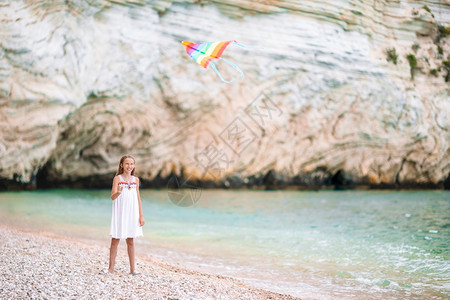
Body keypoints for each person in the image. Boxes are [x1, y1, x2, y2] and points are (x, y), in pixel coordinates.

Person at [108, 155, 145, 275]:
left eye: (132, 164)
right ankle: (110, 269)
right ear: (121, 165)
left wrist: (141, 215)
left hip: (132, 213)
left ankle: (133, 269)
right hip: (120, 212)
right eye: (127, 164)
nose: (129, 166)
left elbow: (138, 198)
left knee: (130, 240)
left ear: (134, 166)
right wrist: (118, 192)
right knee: (115, 240)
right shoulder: (117, 179)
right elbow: (112, 197)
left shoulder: (136, 180)